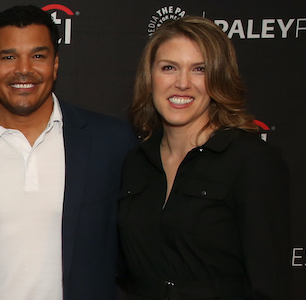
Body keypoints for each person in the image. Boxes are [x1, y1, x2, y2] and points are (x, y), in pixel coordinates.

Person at [119, 16, 291, 300]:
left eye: (199, 69)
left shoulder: (251, 160)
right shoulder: (136, 162)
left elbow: (269, 283)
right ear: (150, 77)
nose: (182, 83)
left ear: (219, 79)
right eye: (169, 68)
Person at [0, 6, 137, 300]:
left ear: (55, 64)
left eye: (38, 56)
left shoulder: (110, 142)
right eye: (9, 56)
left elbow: (138, 254)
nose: (24, 69)